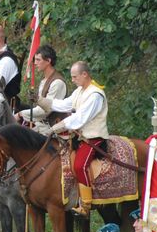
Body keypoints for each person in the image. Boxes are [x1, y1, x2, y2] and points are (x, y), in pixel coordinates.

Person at [35, 61, 108, 216]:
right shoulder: (79, 91)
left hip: (93, 138)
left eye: (75, 77)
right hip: (79, 137)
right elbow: (64, 105)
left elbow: (80, 118)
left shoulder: (95, 95)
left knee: (79, 165)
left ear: (85, 74)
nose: (72, 80)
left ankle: (86, 206)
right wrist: (42, 101)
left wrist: (57, 127)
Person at [14, 45, 67, 135]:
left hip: (52, 130)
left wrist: (20, 114)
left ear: (48, 61)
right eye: (35, 60)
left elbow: (45, 111)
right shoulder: (44, 81)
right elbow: (39, 108)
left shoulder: (57, 83)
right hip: (41, 126)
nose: (35, 63)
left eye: (38, 60)